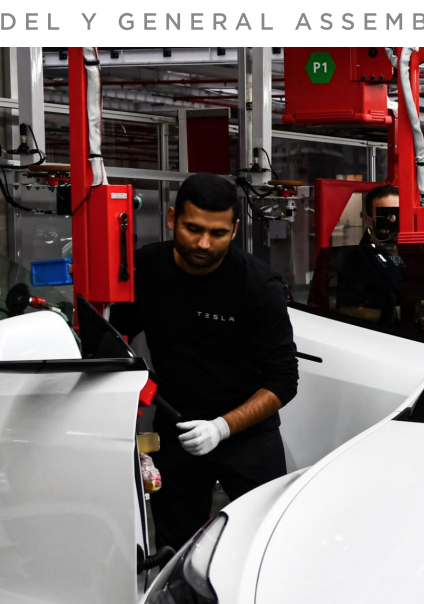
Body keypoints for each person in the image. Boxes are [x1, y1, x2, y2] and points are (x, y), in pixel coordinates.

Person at [110, 173, 299, 550]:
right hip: (176, 427)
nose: (203, 243)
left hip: (247, 435)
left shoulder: (258, 286)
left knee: (265, 543)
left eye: (217, 233)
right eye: (192, 228)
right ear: (171, 218)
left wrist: (222, 428)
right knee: (176, 546)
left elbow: (283, 381)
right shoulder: (147, 270)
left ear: (235, 228)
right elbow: (116, 343)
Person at [331, 184, 406, 328]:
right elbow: (348, 309)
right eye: (386, 216)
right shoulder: (356, 263)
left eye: (399, 214)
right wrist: (394, 314)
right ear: (369, 221)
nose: (394, 222)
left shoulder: (414, 255)